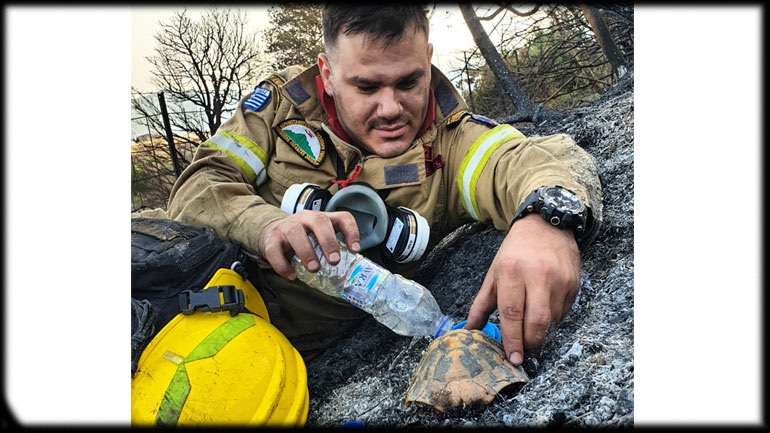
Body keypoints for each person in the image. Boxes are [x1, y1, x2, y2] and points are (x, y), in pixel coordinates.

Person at [163, 4, 602, 366]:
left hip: (280, 360)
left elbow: (532, 160)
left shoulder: (452, 141)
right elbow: (199, 183)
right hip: (192, 301)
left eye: (409, 81)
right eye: (366, 86)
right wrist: (266, 226)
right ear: (328, 73)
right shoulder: (277, 110)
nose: (391, 108)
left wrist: (548, 219)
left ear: (428, 60)